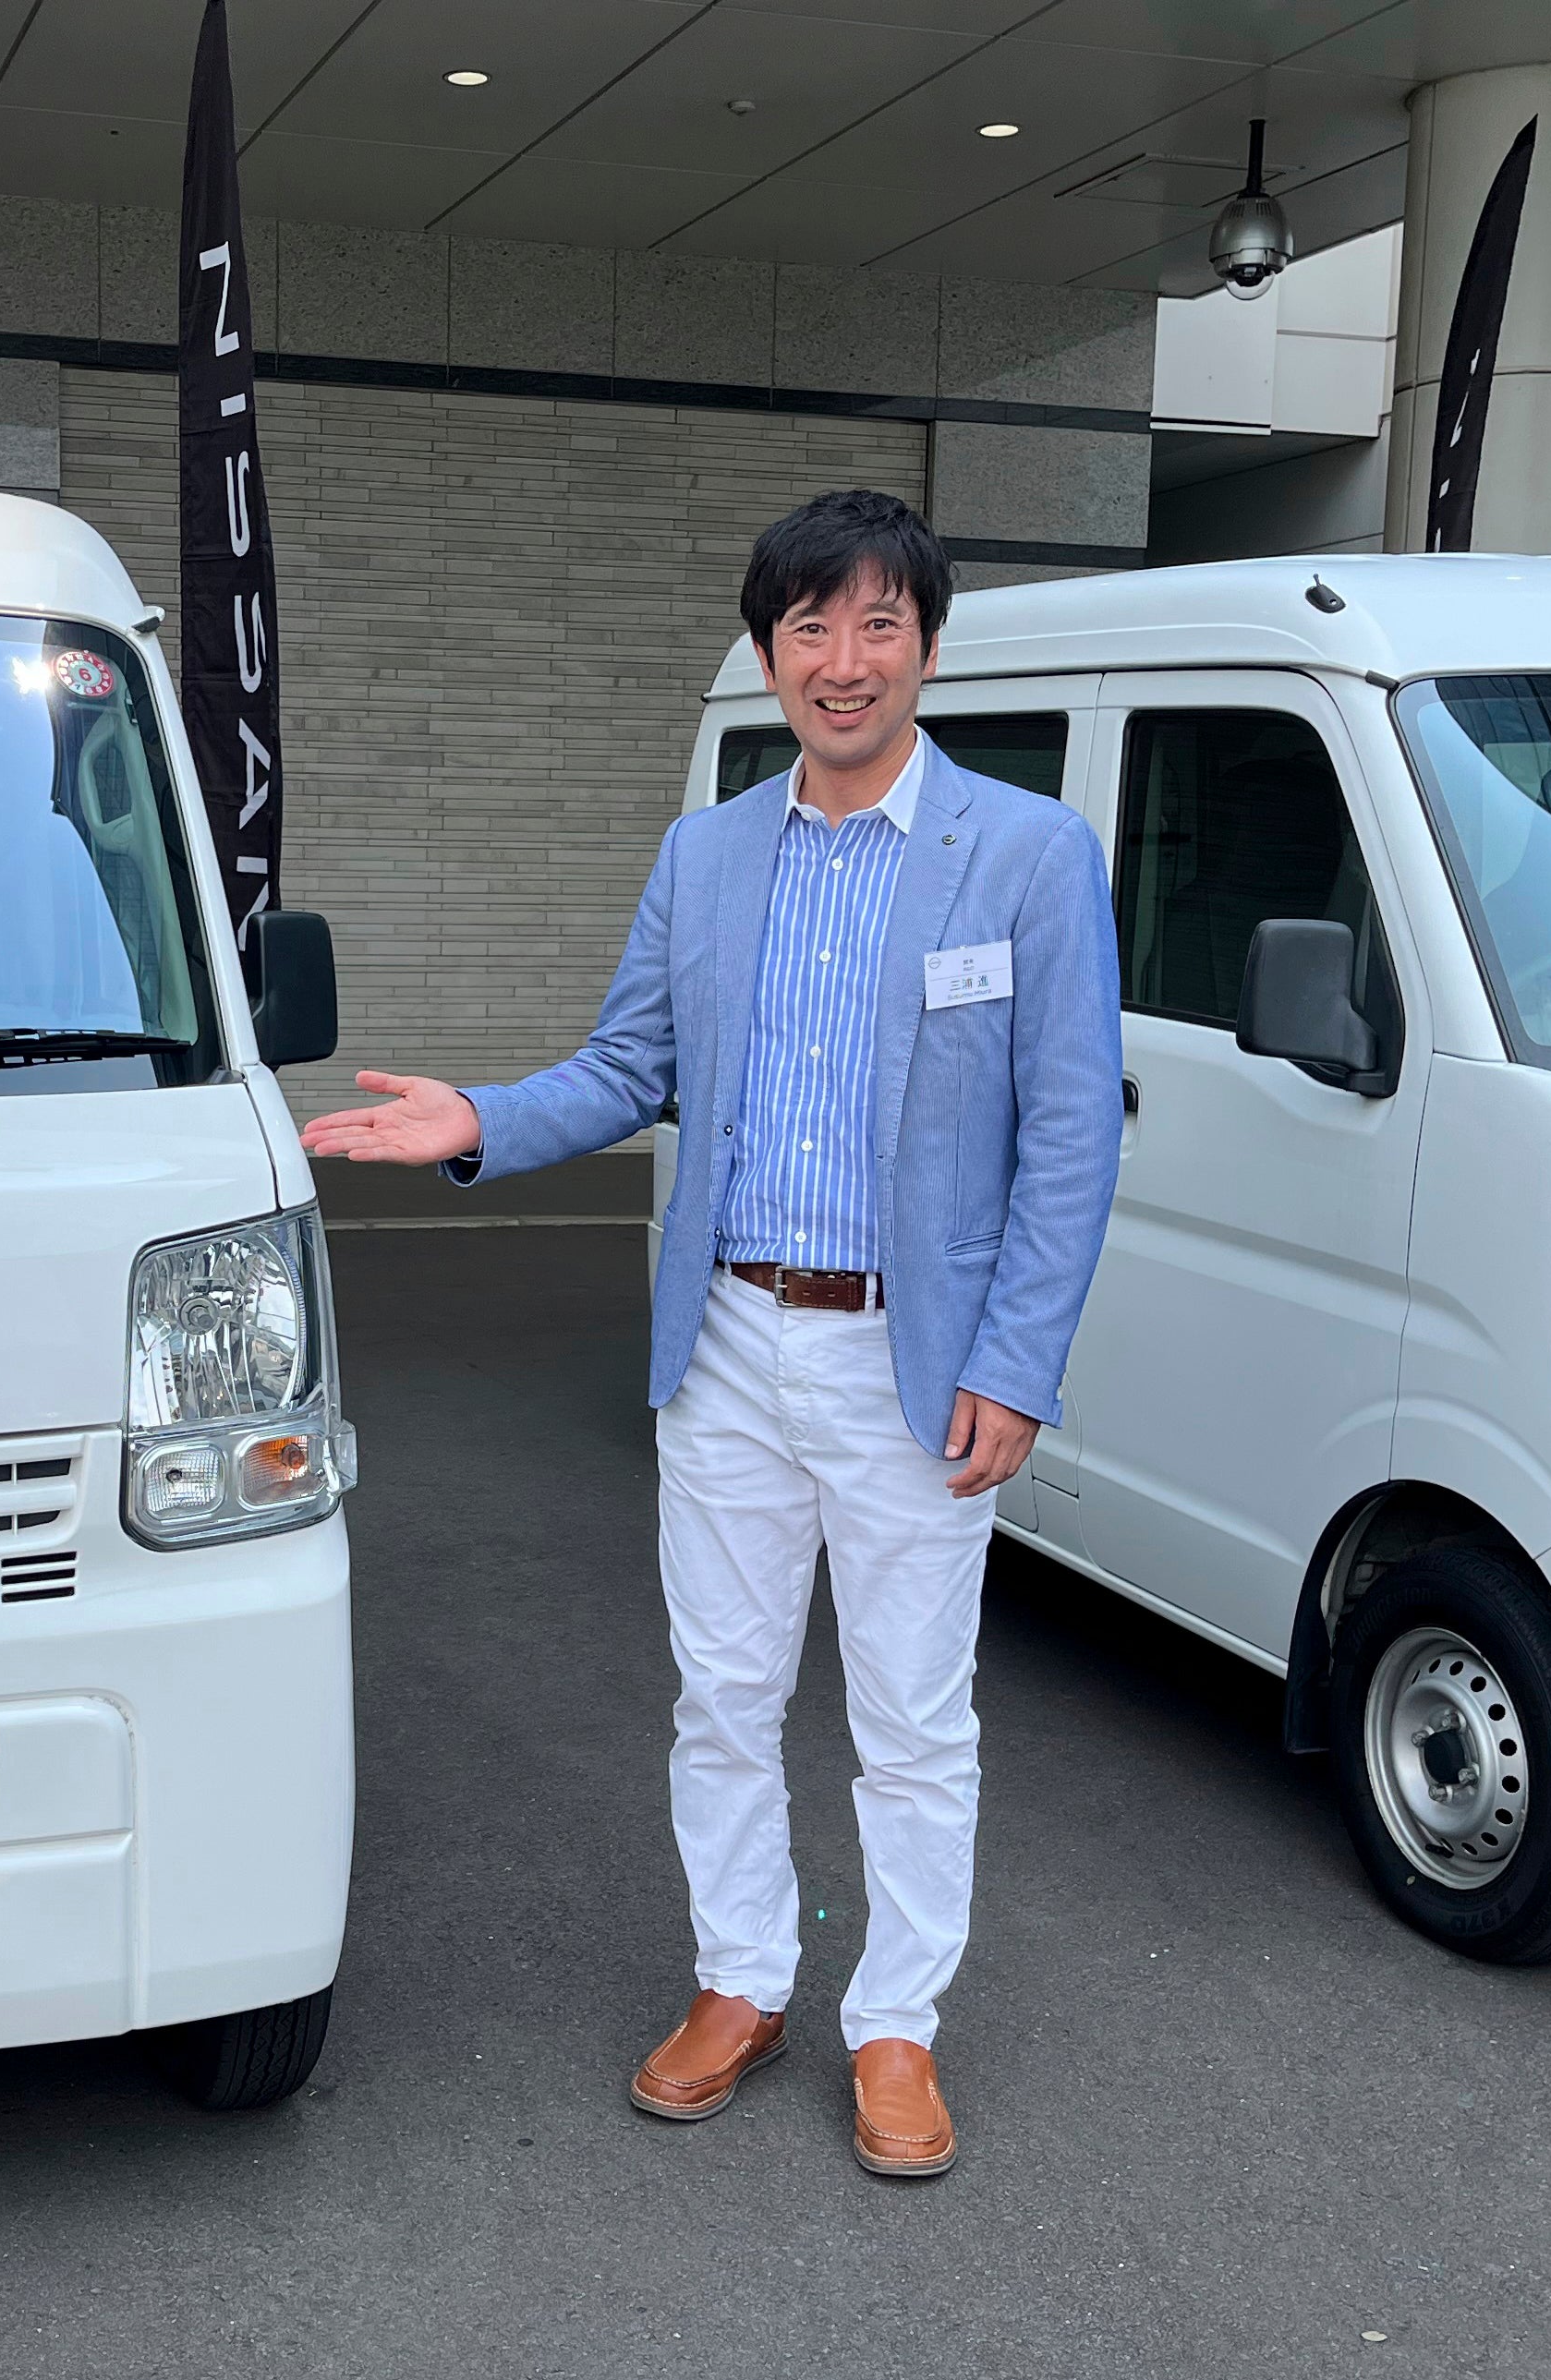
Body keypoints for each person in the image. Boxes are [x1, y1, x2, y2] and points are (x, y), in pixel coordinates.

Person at [300, 489, 1121, 2178]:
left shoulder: (1025, 855)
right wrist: (474, 1121)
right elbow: (627, 1068)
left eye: (876, 624)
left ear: (926, 649)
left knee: (911, 1714)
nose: (842, 660)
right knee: (723, 1692)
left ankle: (896, 2023)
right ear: (766, 655)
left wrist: (1014, 1363)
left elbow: (1069, 1135)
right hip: (733, 1346)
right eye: (808, 628)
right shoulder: (712, 852)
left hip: (916, 1360)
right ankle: (740, 1976)